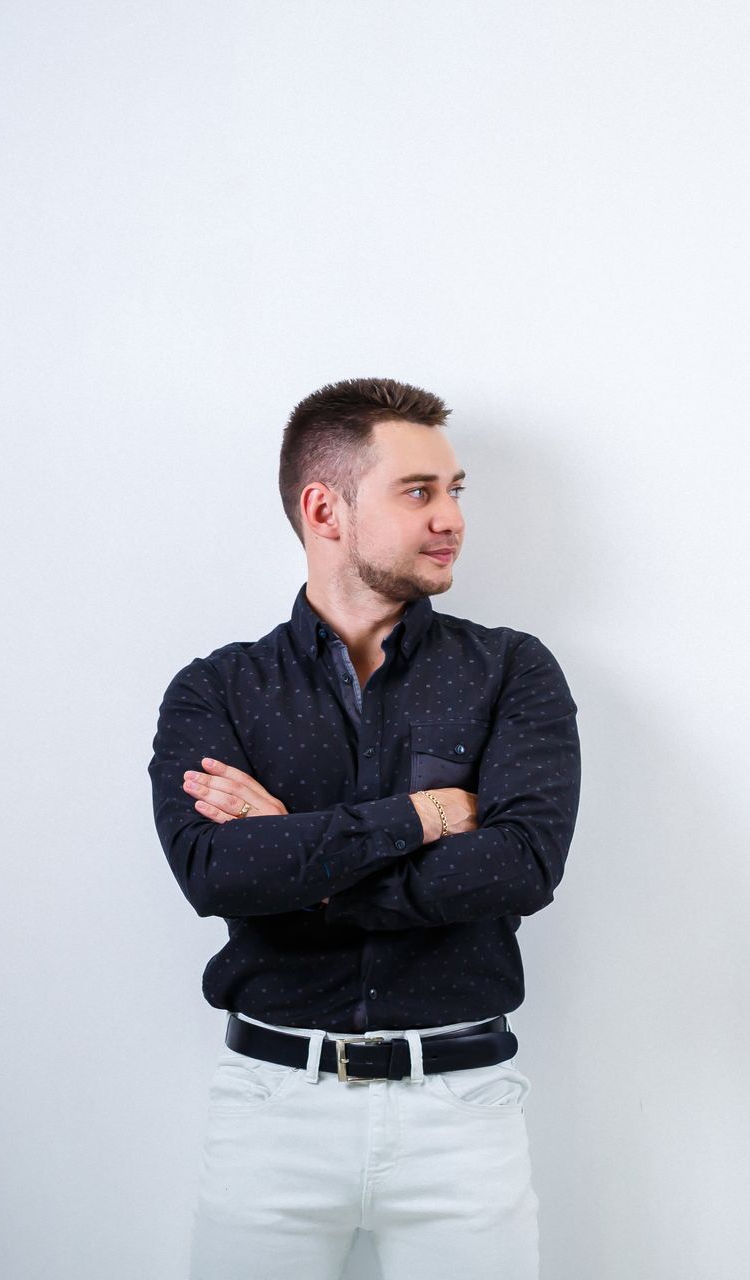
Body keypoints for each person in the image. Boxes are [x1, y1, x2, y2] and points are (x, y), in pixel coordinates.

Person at [148, 377, 581, 1278]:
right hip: (272, 1111)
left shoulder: (511, 670)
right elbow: (216, 876)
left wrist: (299, 854)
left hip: (461, 1113)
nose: (451, 517)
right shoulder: (216, 691)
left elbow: (522, 867)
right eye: (418, 491)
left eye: (455, 491)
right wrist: (424, 817)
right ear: (325, 508)